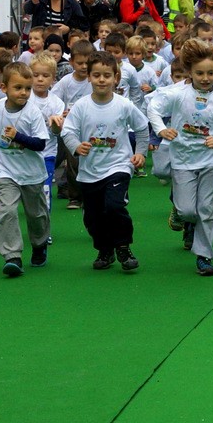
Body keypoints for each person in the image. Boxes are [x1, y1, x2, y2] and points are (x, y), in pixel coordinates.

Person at [148, 40, 213, 277]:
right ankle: (186, 221)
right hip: (183, 158)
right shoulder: (178, 93)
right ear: (190, 72)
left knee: (207, 209)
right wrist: (161, 129)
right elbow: (154, 107)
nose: (205, 78)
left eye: (211, 73)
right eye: (199, 73)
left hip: (212, 160)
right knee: (188, 210)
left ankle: (204, 256)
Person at [60, 51, 150, 272]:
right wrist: (76, 146)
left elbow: (141, 128)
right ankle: (104, 249)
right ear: (89, 77)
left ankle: (123, 247)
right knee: (93, 217)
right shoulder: (81, 106)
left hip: (118, 166)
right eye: (97, 75)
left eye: (107, 75)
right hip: (89, 171)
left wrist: (140, 153)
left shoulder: (124, 104)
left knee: (114, 206)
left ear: (115, 78)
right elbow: (67, 131)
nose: (102, 80)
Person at [0, 63, 52, 277]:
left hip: (31, 174)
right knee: (7, 211)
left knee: (36, 214)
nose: (24, 93)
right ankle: (12, 256)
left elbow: (40, 144)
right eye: (18, 88)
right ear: (4, 88)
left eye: (27, 88)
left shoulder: (33, 113)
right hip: (5, 171)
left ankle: (39, 245)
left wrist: (17, 136)